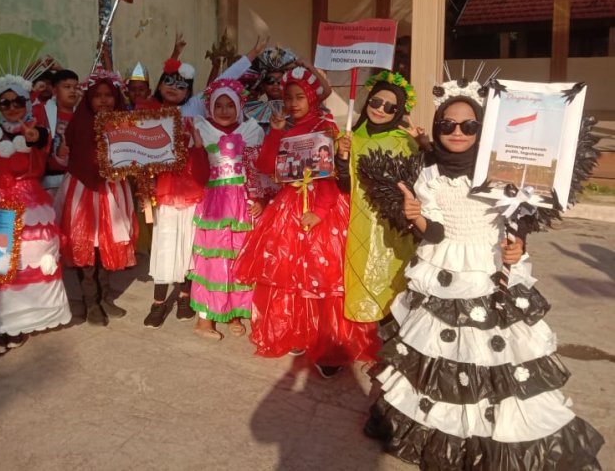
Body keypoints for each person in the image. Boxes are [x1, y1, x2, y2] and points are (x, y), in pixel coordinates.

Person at [364, 80, 604, 470]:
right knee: (447, 356)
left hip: (491, 269)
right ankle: (449, 432)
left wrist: (518, 244)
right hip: (444, 266)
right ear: (438, 127)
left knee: (498, 359)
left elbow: (521, 214)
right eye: (448, 125)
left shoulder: (503, 166)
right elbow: (437, 232)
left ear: (484, 128)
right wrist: (418, 217)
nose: (457, 133)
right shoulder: (429, 175)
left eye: (469, 126)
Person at [233, 66, 379, 373]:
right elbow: (264, 164)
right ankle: (298, 329)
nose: (294, 103)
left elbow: (330, 178)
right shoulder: (284, 127)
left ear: (312, 98)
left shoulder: (325, 127)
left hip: (322, 208)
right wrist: (274, 131)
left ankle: (328, 341)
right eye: (289, 98)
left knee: (324, 275)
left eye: (301, 97)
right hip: (290, 204)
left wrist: (321, 212)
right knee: (289, 273)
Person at [143, 34, 267, 328]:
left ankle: (187, 297)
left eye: (182, 84)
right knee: (165, 245)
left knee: (194, 249)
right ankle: (159, 301)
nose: (175, 89)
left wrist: (251, 54)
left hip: (198, 190)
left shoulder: (197, 108)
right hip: (166, 190)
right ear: (159, 85)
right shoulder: (148, 110)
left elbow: (226, 80)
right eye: (169, 83)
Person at [0, 73, 72, 354]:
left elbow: (40, 141)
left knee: (25, 263)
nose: (12, 107)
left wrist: (32, 136)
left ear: (27, 102)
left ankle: (18, 325)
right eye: (6, 103)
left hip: (30, 205)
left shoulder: (35, 130)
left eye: (18, 102)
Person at [53, 68, 138, 326]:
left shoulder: (124, 122)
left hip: (113, 191)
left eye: (108, 95)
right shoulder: (79, 122)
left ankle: (104, 298)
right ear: (88, 97)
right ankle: (90, 301)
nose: (103, 100)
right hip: (83, 192)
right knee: (86, 247)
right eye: (98, 95)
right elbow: (69, 158)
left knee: (106, 247)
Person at [337, 71, 421, 326]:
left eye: (389, 106)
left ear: (398, 112)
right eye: (375, 102)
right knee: (359, 283)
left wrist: (426, 146)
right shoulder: (351, 137)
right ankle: (363, 344)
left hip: (394, 230)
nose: (380, 109)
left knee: (394, 283)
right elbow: (343, 184)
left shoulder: (406, 142)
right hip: (358, 224)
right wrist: (341, 157)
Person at [188, 79, 264, 340]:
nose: (223, 110)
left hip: (244, 205)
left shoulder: (252, 130)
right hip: (216, 205)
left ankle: (233, 311)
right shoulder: (202, 129)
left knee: (239, 258)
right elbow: (198, 175)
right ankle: (205, 320)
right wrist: (198, 148)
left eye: (229, 104)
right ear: (209, 107)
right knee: (214, 261)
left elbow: (259, 170)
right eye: (217, 105)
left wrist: (259, 199)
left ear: (239, 106)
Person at [41, 69, 80, 197]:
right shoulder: (43, 113)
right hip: (50, 181)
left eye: (76, 87)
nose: (73, 91)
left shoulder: (82, 116)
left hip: (76, 181)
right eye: (67, 87)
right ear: (54, 91)